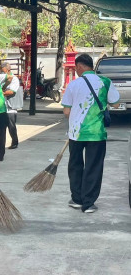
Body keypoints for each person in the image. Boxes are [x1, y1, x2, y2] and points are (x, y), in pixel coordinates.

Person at [61, 53, 120, 213]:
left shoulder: (73, 85)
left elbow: (66, 111)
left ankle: (76, 199)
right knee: (93, 166)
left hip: (76, 134)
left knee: (75, 165)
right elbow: (115, 104)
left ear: (80, 67)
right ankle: (88, 203)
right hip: (96, 133)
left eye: (76, 68)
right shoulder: (105, 82)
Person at [0, 62, 23, 149]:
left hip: (11, 107)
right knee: (1, 127)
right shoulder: (3, 79)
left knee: (11, 126)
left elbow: (11, 91)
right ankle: (0, 144)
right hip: (2, 106)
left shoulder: (14, 79)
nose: (3, 73)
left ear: (8, 70)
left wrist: (1, 93)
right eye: (1, 72)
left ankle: (15, 142)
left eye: (4, 71)